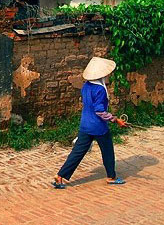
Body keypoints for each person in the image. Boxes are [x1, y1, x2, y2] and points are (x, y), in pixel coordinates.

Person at [53, 57, 127, 189]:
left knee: (77, 152)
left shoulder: (86, 86)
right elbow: (100, 111)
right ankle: (111, 177)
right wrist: (115, 119)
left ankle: (60, 177)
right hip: (99, 127)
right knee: (108, 151)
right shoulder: (100, 90)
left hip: (85, 125)